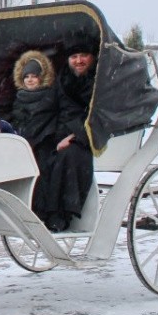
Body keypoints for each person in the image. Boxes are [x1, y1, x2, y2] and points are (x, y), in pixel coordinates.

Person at [31, 38, 97, 233]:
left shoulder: (100, 83)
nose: (78, 60)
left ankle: (59, 215)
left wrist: (76, 136)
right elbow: (49, 107)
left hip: (88, 135)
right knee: (38, 151)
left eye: (83, 55)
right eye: (74, 56)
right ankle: (37, 211)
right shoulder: (63, 79)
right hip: (61, 132)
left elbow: (101, 115)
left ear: (92, 58)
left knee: (67, 156)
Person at [9, 50, 59, 151]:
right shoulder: (19, 99)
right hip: (23, 146)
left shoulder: (51, 97)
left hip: (46, 146)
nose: (29, 80)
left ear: (41, 78)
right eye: (26, 76)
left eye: (34, 76)